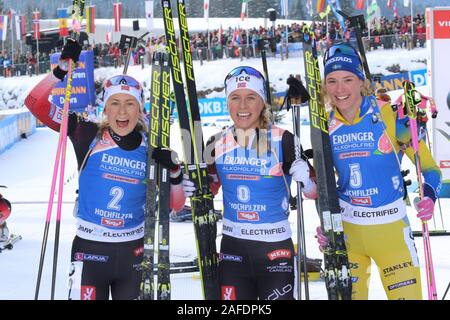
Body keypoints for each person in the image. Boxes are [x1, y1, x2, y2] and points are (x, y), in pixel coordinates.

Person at [26, 38, 185, 300]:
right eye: (115, 103)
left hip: (134, 254)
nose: (122, 112)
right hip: (89, 252)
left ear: (140, 108)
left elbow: (176, 206)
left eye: (130, 103)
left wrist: (176, 174)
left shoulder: (152, 148)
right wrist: (62, 70)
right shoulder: (85, 132)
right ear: (105, 107)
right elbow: (35, 103)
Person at [318, 43, 442, 300]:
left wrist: (429, 196)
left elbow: (430, 170)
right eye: (332, 81)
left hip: (391, 232)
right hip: (348, 234)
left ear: (361, 81)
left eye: (348, 79)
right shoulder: (324, 125)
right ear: (325, 85)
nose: (340, 89)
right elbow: (323, 183)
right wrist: (325, 225)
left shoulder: (390, 115)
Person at [182, 66, 317, 300]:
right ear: (228, 102)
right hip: (233, 253)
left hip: (276, 251)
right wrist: (188, 185)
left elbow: (314, 192)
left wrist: (306, 178)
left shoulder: (283, 139)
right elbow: (206, 191)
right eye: (235, 98)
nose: (242, 106)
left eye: (251, 98)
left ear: (262, 102)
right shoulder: (216, 143)